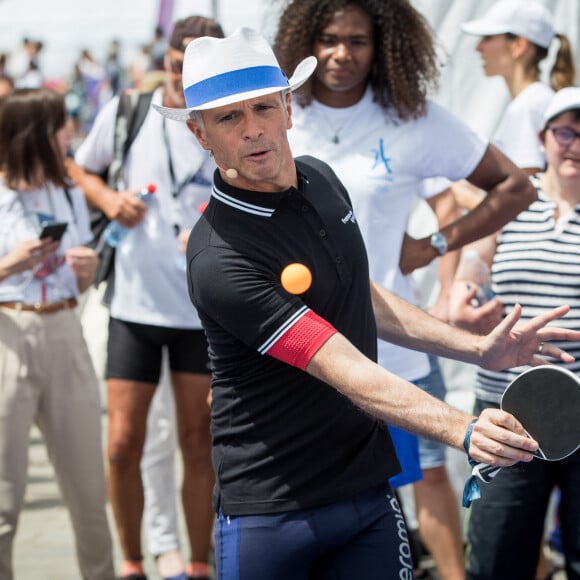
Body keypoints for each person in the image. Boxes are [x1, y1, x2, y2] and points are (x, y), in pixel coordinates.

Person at [153, 26, 580, 580]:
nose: (253, 130)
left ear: (288, 107)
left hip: (366, 496)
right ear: (200, 132)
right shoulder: (218, 259)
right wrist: (463, 429)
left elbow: (361, 294)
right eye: (229, 117)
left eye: (263, 107)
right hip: (270, 513)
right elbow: (344, 367)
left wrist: (477, 349)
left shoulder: (323, 182)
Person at [273, 1, 542, 577]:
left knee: (422, 483)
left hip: (388, 345)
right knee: (297, 504)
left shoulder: (411, 118)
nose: (341, 53)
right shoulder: (278, 114)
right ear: (304, 40)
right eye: (328, 38)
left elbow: (515, 186)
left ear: (384, 46)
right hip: (286, 347)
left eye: (358, 41)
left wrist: (435, 245)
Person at [73, 15, 224, 580]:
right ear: (165, 58)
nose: (182, 78)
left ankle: (199, 564)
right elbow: (77, 167)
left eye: (194, 67)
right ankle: (132, 563)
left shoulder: (225, 117)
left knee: (196, 444)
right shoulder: (128, 111)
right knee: (121, 445)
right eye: (176, 65)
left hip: (199, 312)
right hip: (133, 307)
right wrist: (110, 200)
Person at [449, 87, 580, 580]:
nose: (575, 145)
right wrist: (465, 298)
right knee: (496, 560)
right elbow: (472, 269)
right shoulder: (513, 199)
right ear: (544, 138)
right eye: (565, 132)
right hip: (507, 417)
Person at [0, 88, 114, 579]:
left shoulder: (68, 189)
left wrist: (86, 270)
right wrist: (11, 264)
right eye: (59, 124)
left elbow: (79, 279)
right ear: (33, 134)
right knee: (4, 497)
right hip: (8, 334)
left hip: (66, 329)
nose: (69, 132)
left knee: (89, 490)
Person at [449, 0, 576, 211]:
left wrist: (456, 194)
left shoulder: (527, 106)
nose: (478, 47)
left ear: (519, 46)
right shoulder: (537, 100)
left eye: (488, 37)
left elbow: (524, 204)